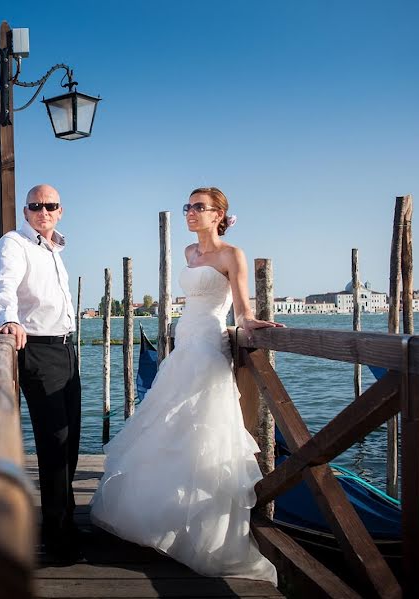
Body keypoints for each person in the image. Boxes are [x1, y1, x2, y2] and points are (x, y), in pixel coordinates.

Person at [89, 187, 281, 584]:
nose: (190, 213)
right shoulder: (189, 254)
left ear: (218, 215)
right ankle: (162, 519)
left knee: (204, 427)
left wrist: (250, 323)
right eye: (188, 207)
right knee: (168, 425)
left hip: (210, 342)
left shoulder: (233, 254)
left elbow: (243, 308)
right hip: (184, 342)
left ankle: (203, 531)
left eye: (199, 208)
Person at [0, 184, 81, 561]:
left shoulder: (55, 247)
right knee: (54, 441)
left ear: (60, 210)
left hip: (67, 348)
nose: (43, 211)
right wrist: (9, 320)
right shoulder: (14, 243)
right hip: (38, 350)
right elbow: (2, 284)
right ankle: (57, 540)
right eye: (36, 206)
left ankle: (66, 524)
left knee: (71, 440)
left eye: (51, 205)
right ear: (26, 211)